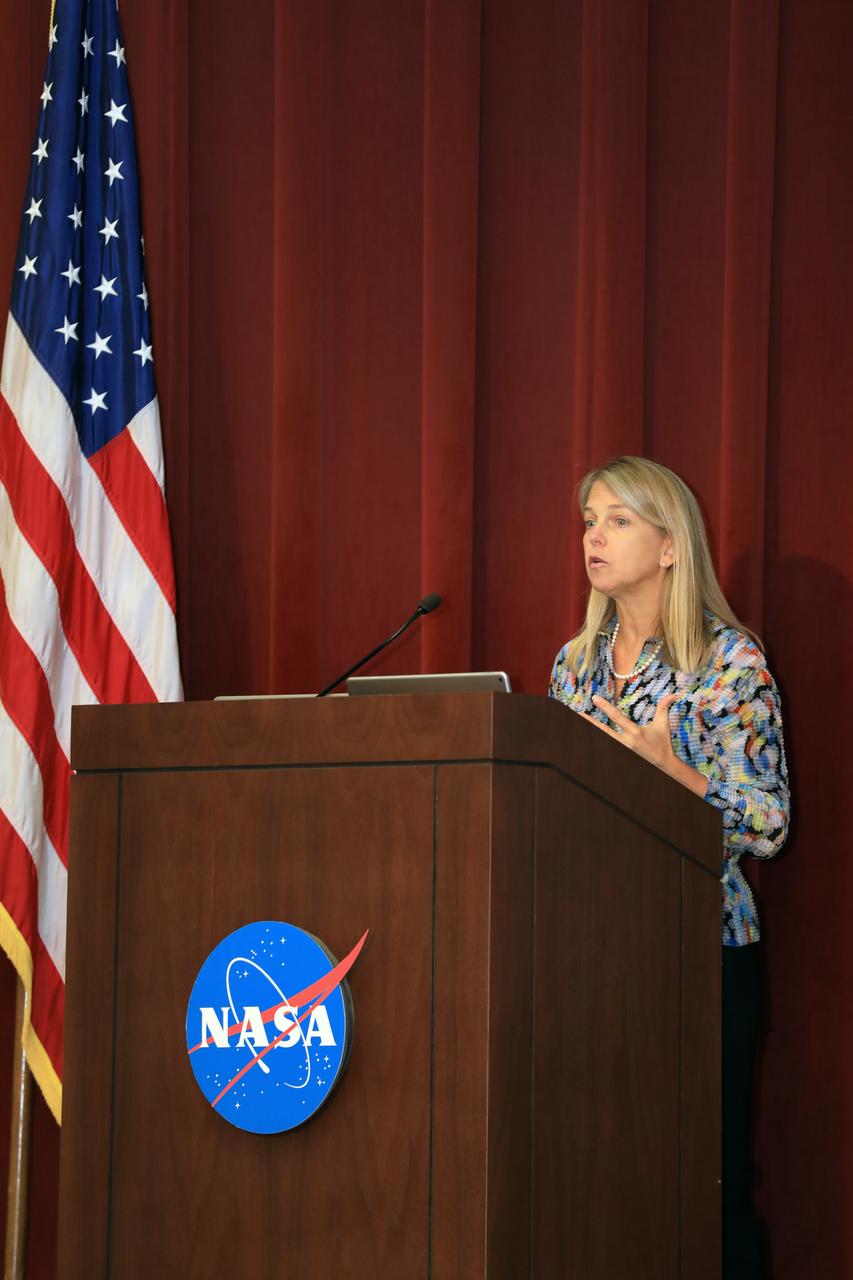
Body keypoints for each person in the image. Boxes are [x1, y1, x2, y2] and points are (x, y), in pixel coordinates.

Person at [548, 456, 789, 1280]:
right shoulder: (572, 666)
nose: (593, 535)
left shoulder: (728, 662)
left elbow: (768, 822)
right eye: (588, 519)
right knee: (597, 1181)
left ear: (669, 546)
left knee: (705, 1187)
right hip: (586, 957)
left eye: (617, 519)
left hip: (699, 957)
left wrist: (676, 776)